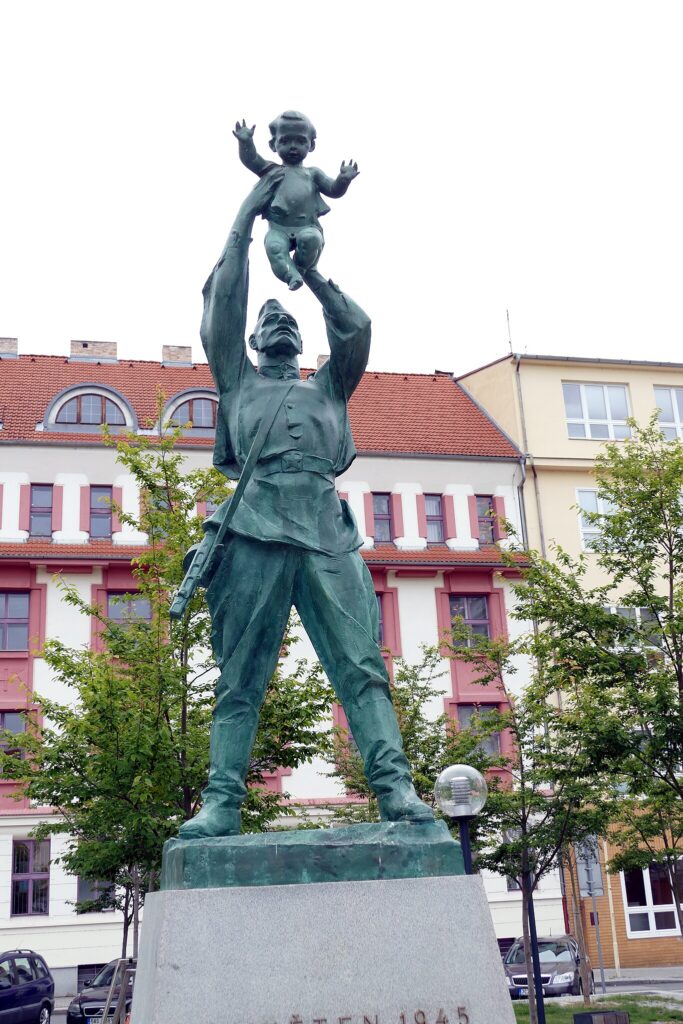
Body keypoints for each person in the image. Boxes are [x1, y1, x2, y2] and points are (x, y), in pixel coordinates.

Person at [178, 170, 433, 839]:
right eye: (268, 322)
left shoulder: (329, 388)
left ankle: (395, 788)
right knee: (240, 676)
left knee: (361, 667)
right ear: (254, 344)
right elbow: (225, 302)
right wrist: (246, 217)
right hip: (255, 530)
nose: (277, 322)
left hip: (326, 532)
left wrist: (309, 275)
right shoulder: (236, 382)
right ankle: (222, 801)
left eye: (285, 319)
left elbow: (357, 328)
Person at [233, 110, 358, 291]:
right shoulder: (271, 171)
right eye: (285, 141)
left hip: (307, 226)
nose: (293, 147)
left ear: (311, 145)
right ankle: (290, 274)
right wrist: (245, 142)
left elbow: (333, 190)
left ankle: (300, 266)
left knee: (311, 239)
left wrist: (343, 179)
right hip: (278, 229)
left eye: (300, 141)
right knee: (274, 248)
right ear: (273, 145)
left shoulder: (313, 174)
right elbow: (252, 160)